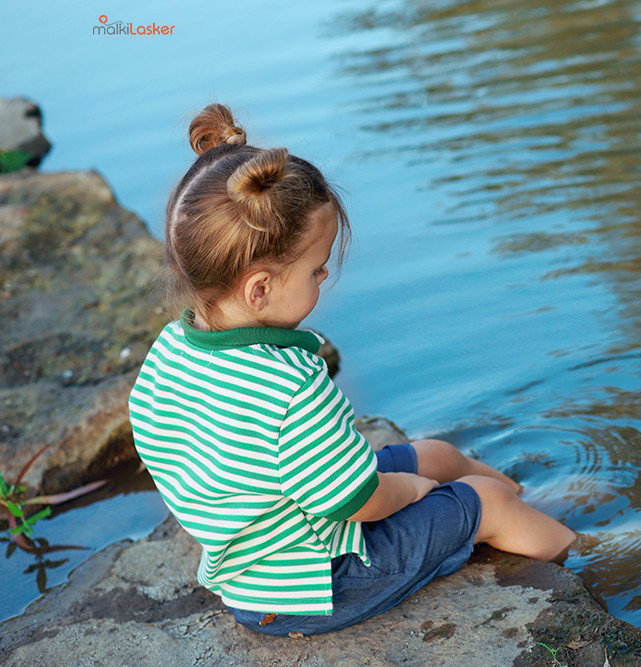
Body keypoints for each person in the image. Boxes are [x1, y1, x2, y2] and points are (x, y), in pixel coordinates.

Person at [127, 102, 577, 637]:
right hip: (317, 585)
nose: (325, 280)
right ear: (260, 288)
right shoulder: (289, 384)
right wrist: (411, 492)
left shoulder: (172, 349)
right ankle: (587, 553)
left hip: (270, 553)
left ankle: (542, 501)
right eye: (316, 270)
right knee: (486, 504)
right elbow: (357, 501)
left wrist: (413, 477)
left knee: (441, 456)